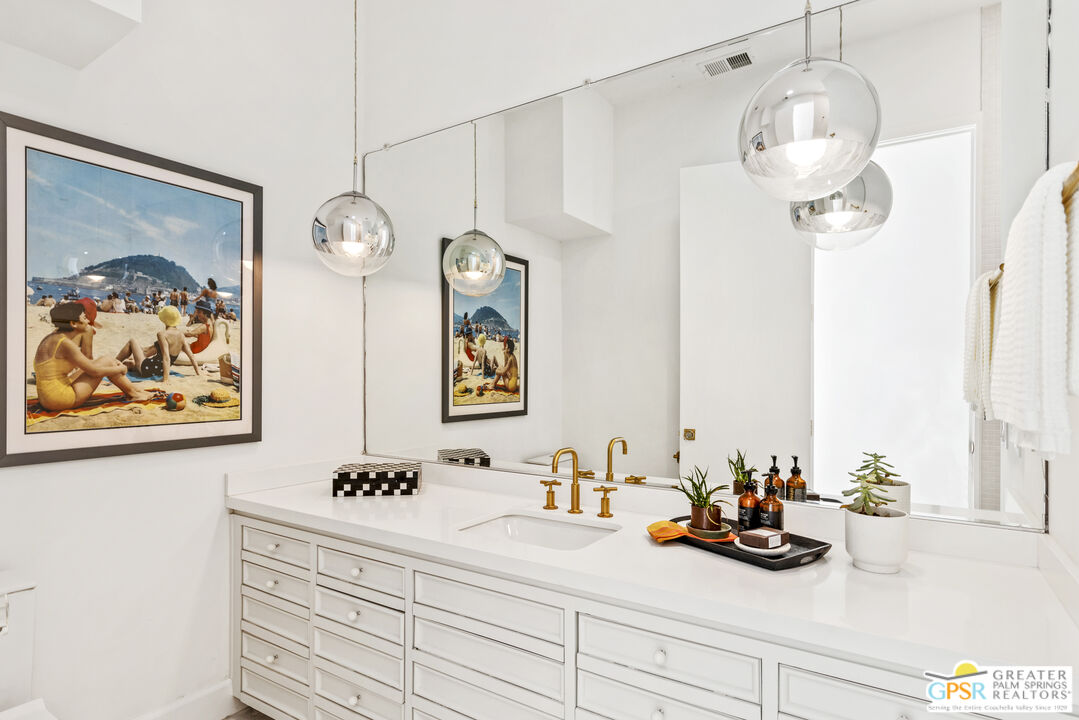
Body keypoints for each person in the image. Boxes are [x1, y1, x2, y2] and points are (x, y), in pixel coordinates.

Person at [32, 303, 150, 410]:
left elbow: (88, 364)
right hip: (59, 399)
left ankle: (134, 390)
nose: (88, 321)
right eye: (84, 318)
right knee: (107, 362)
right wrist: (121, 368)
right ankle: (134, 394)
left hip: (48, 396)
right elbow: (94, 372)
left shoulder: (53, 337)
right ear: (73, 324)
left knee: (106, 360)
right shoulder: (65, 343)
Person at [115, 306, 203, 381]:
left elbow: (166, 357)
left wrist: (165, 379)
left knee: (132, 341)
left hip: (147, 368)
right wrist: (198, 373)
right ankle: (119, 365)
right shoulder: (181, 336)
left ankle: (113, 362)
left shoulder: (162, 334)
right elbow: (191, 356)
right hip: (158, 371)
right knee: (128, 363)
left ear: (164, 320)